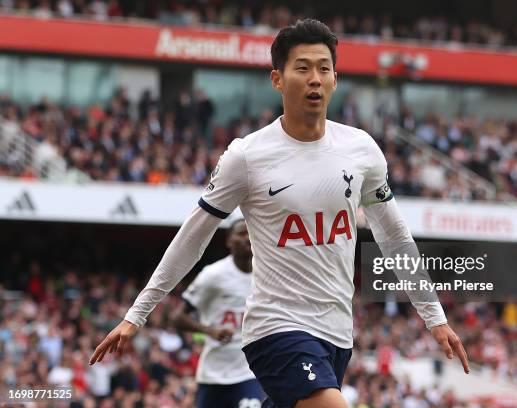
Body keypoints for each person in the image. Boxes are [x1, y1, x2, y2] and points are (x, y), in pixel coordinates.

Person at [90, 19, 470, 408]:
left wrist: (434, 316)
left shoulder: (361, 150)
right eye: (302, 68)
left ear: (335, 79)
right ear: (277, 79)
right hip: (275, 327)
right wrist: (138, 313)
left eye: (324, 68)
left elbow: (394, 237)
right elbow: (194, 235)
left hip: (337, 333)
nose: (315, 79)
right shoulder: (248, 156)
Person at [173, 219, 264, 407]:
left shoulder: (266, 274)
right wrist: (209, 330)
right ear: (229, 241)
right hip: (213, 375)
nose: (247, 238)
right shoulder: (213, 275)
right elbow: (177, 318)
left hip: (249, 372)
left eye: (250, 232)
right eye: (241, 233)